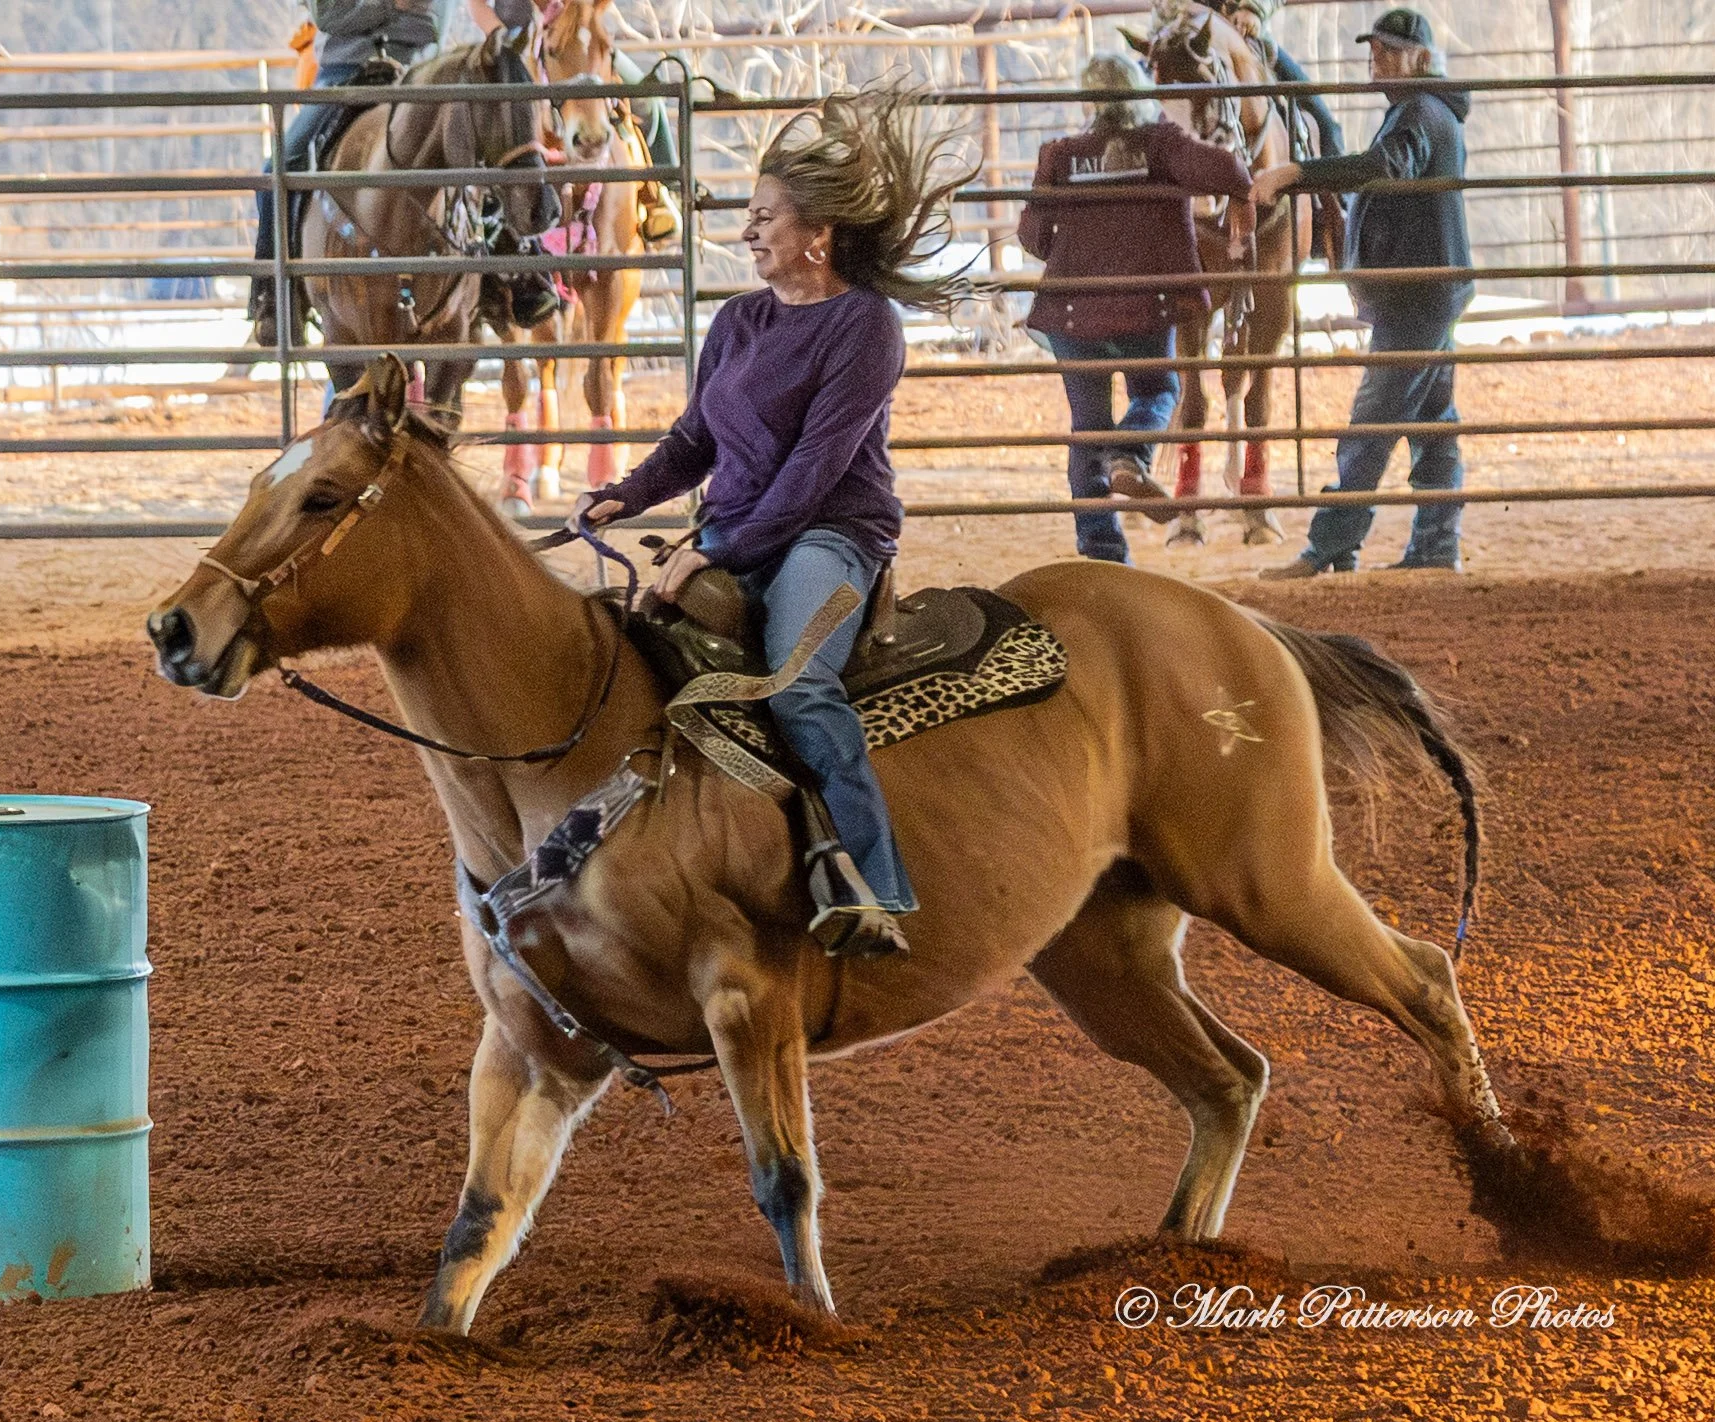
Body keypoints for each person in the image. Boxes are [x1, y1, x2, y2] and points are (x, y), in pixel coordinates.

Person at [568, 91, 976, 958]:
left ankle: (874, 887)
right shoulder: (740, 320)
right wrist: (624, 495)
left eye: (763, 218)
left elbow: (810, 477)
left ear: (816, 234)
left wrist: (710, 548)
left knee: (796, 683)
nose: (748, 233)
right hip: (742, 525)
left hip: (831, 532)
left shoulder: (864, 325)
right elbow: (693, 439)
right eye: (747, 218)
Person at [1252, 7, 1473, 577]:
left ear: (1418, 57)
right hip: (1425, 290)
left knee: (1372, 423)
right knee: (1431, 423)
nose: (1374, 58)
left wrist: (1295, 174)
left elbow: (1383, 166)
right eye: (1373, 48)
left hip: (1416, 294)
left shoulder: (1417, 115)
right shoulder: (1421, 111)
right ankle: (1435, 547)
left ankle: (1330, 547)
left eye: (1387, 50)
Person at [1015, 54, 1253, 565]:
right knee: (1159, 388)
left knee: (1088, 426)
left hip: (1073, 313)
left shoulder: (1060, 155)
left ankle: (1102, 549)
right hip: (1147, 303)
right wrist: (1241, 195)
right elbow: (1229, 168)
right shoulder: (1162, 145)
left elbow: (1033, 238)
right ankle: (1130, 454)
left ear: (1088, 101)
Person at [247, 0, 456, 346]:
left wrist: (364, 12)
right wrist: (393, 9)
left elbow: (431, 23)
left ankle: (506, 278)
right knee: (277, 170)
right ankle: (275, 294)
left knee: (475, 147)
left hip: (414, 75)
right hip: (341, 76)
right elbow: (328, 14)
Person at [468, 0, 681, 244]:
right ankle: (477, 202)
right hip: (513, 38)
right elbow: (476, 3)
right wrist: (499, 34)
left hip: (579, 29)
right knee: (485, 107)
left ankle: (663, 193)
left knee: (647, 99)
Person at [1221, 0, 1344, 159]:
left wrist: (1253, 10)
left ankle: (1330, 168)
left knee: (1325, 126)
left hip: (1249, 37)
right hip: (1194, 42)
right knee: (1325, 125)